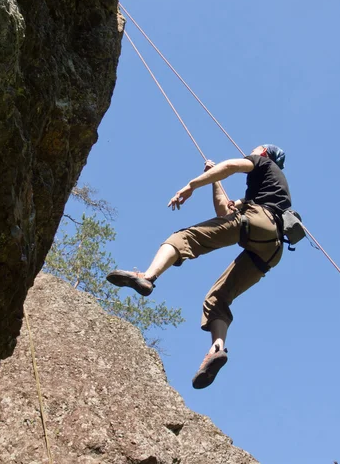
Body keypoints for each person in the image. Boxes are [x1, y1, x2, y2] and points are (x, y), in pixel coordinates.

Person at [106, 144, 292, 389]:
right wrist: (213, 178)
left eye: (256, 148)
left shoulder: (262, 163)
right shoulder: (272, 187)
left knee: (184, 238)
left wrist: (192, 185)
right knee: (217, 299)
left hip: (258, 220)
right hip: (273, 248)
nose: (251, 149)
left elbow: (230, 166)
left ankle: (148, 276)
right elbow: (225, 211)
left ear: (265, 154)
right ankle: (217, 349)